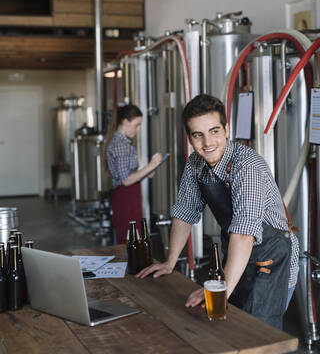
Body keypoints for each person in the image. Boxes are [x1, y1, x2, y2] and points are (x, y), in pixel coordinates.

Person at [137, 94, 299, 329]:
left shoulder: (247, 167)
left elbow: (244, 234)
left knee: (258, 334)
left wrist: (220, 289)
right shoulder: (196, 164)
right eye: (198, 135)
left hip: (272, 259)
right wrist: (170, 262)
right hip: (236, 256)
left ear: (226, 128)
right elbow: (184, 212)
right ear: (190, 137)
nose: (207, 142)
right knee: (229, 327)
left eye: (214, 131)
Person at [106, 104, 162, 244]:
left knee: (131, 240)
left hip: (129, 197)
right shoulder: (120, 144)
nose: (138, 129)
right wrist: (151, 165)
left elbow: (128, 174)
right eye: (136, 125)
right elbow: (125, 180)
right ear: (125, 122)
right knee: (127, 243)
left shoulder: (123, 142)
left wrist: (147, 172)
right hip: (125, 198)